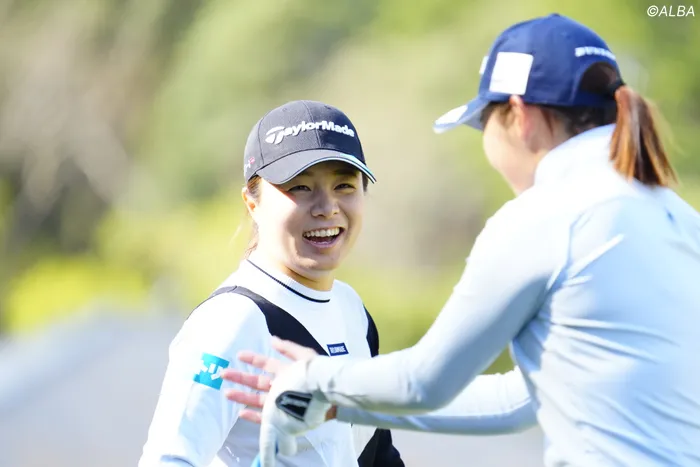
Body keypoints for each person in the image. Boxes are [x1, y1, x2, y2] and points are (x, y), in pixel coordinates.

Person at [222, 13, 700, 467]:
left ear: (519, 115)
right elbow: (519, 400)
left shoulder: (544, 216)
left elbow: (424, 382)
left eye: (482, 124)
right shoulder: (675, 213)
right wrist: (338, 402)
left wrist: (312, 380)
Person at [137, 100, 407, 467]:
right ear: (252, 202)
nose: (327, 207)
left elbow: (378, 457)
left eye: (344, 185)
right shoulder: (232, 320)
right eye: (300, 187)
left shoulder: (351, 309)